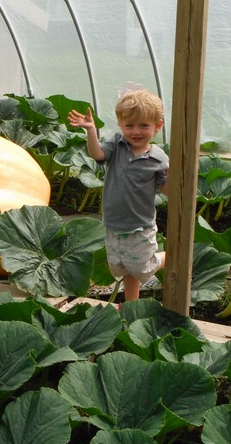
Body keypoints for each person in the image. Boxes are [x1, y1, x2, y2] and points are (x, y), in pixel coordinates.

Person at [68, 90, 169, 303]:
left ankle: (167, 257)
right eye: (129, 126)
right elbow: (97, 154)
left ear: (157, 126)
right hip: (113, 223)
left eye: (144, 126)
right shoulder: (116, 145)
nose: (136, 131)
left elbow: (167, 190)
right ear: (121, 125)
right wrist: (91, 130)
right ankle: (131, 304)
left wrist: (178, 176)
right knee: (124, 268)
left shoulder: (158, 159)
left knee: (142, 267)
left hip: (140, 225)